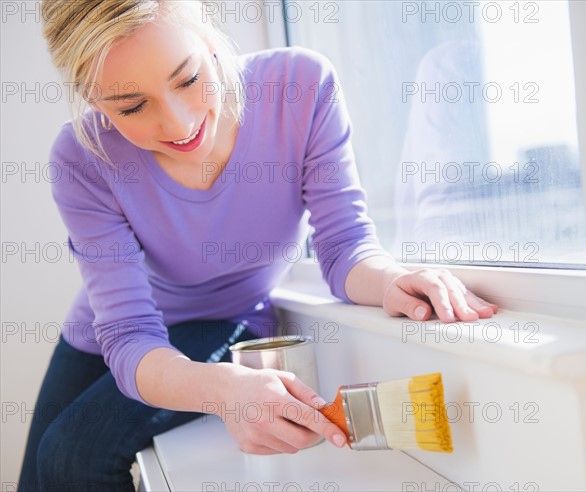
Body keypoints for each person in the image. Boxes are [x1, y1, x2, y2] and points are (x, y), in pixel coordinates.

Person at [19, 1, 497, 490]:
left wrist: (391, 278)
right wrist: (221, 392)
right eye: (132, 106)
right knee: (38, 474)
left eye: (187, 79)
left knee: (70, 456)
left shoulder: (299, 87)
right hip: (106, 338)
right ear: (92, 100)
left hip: (217, 322)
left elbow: (345, 247)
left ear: (206, 31)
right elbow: (128, 334)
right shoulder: (82, 156)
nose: (181, 124)